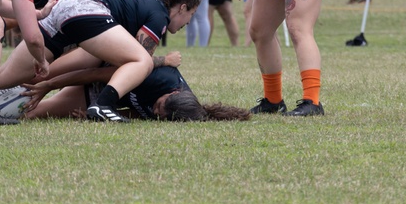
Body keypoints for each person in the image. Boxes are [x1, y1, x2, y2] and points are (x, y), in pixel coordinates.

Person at [0, 0, 199, 124]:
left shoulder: (140, 9)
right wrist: (164, 61)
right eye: (190, 16)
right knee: (141, 61)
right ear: (182, 7)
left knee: (6, 76)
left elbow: (97, 59)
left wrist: (49, 82)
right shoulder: (159, 16)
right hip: (86, 9)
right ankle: (103, 105)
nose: (186, 24)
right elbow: (138, 59)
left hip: (72, 9)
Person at [22, 60, 250, 122]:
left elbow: (140, 113)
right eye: (159, 106)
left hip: (102, 96)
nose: (155, 111)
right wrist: (52, 83)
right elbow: (97, 74)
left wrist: (100, 114)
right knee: (37, 77)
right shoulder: (157, 78)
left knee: (34, 113)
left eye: (159, 115)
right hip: (100, 69)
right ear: (171, 93)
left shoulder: (173, 113)